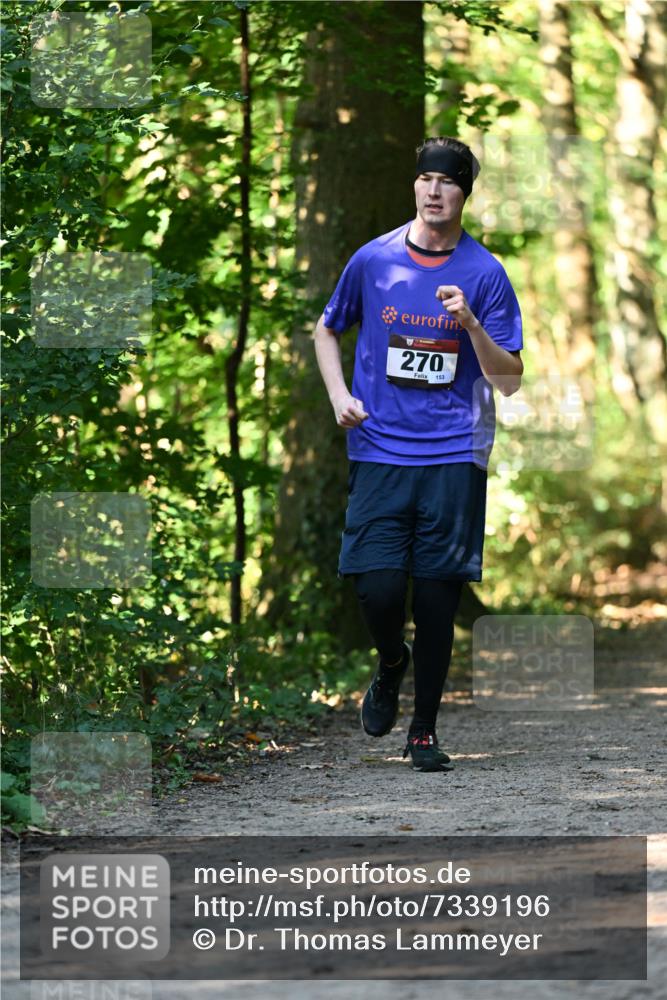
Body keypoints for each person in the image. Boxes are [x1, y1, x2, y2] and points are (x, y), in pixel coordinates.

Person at [313, 136, 523, 772]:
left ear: (464, 195)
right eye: (425, 179)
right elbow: (327, 328)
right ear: (415, 186)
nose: (434, 191)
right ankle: (390, 662)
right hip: (379, 446)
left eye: (448, 182)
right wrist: (338, 396)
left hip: (456, 450)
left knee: (435, 599)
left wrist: (472, 326)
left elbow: (509, 378)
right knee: (377, 591)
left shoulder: (484, 274)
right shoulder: (374, 260)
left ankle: (424, 732)